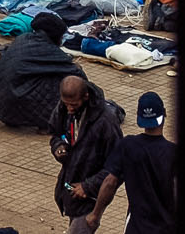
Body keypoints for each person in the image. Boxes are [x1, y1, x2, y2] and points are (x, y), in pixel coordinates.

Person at [86, 89, 172, 233]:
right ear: (164, 113)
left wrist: (95, 215)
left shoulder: (128, 146)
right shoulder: (172, 152)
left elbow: (110, 182)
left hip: (136, 227)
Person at [50, 74, 125, 233]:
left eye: (74, 105)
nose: (69, 109)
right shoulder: (65, 108)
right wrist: (59, 146)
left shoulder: (106, 122)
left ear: (86, 97)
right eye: (66, 104)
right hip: (72, 189)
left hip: (91, 196)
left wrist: (88, 186)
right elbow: (56, 132)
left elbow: (119, 166)